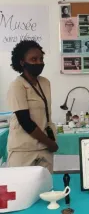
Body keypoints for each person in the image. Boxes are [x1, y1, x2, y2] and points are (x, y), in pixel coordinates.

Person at [7, 40, 58, 173]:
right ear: (22, 62)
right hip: (23, 151)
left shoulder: (45, 83)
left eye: (41, 59)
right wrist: (50, 143)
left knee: (45, 190)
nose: (39, 63)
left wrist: (49, 142)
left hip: (44, 150)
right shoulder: (17, 86)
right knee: (21, 191)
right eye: (33, 59)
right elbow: (25, 122)